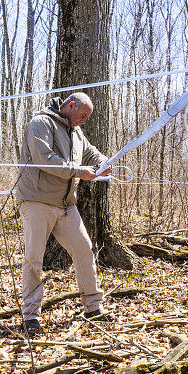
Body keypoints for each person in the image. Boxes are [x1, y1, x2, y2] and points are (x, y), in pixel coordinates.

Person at [15, 92, 112, 333]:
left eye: (86, 117)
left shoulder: (75, 131)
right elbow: (44, 158)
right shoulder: (41, 123)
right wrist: (80, 171)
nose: (84, 121)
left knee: (83, 250)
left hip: (66, 205)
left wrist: (104, 162)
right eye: (82, 115)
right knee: (34, 258)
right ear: (70, 106)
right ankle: (30, 317)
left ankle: (92, 306)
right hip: (37, 201)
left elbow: (90, 153)